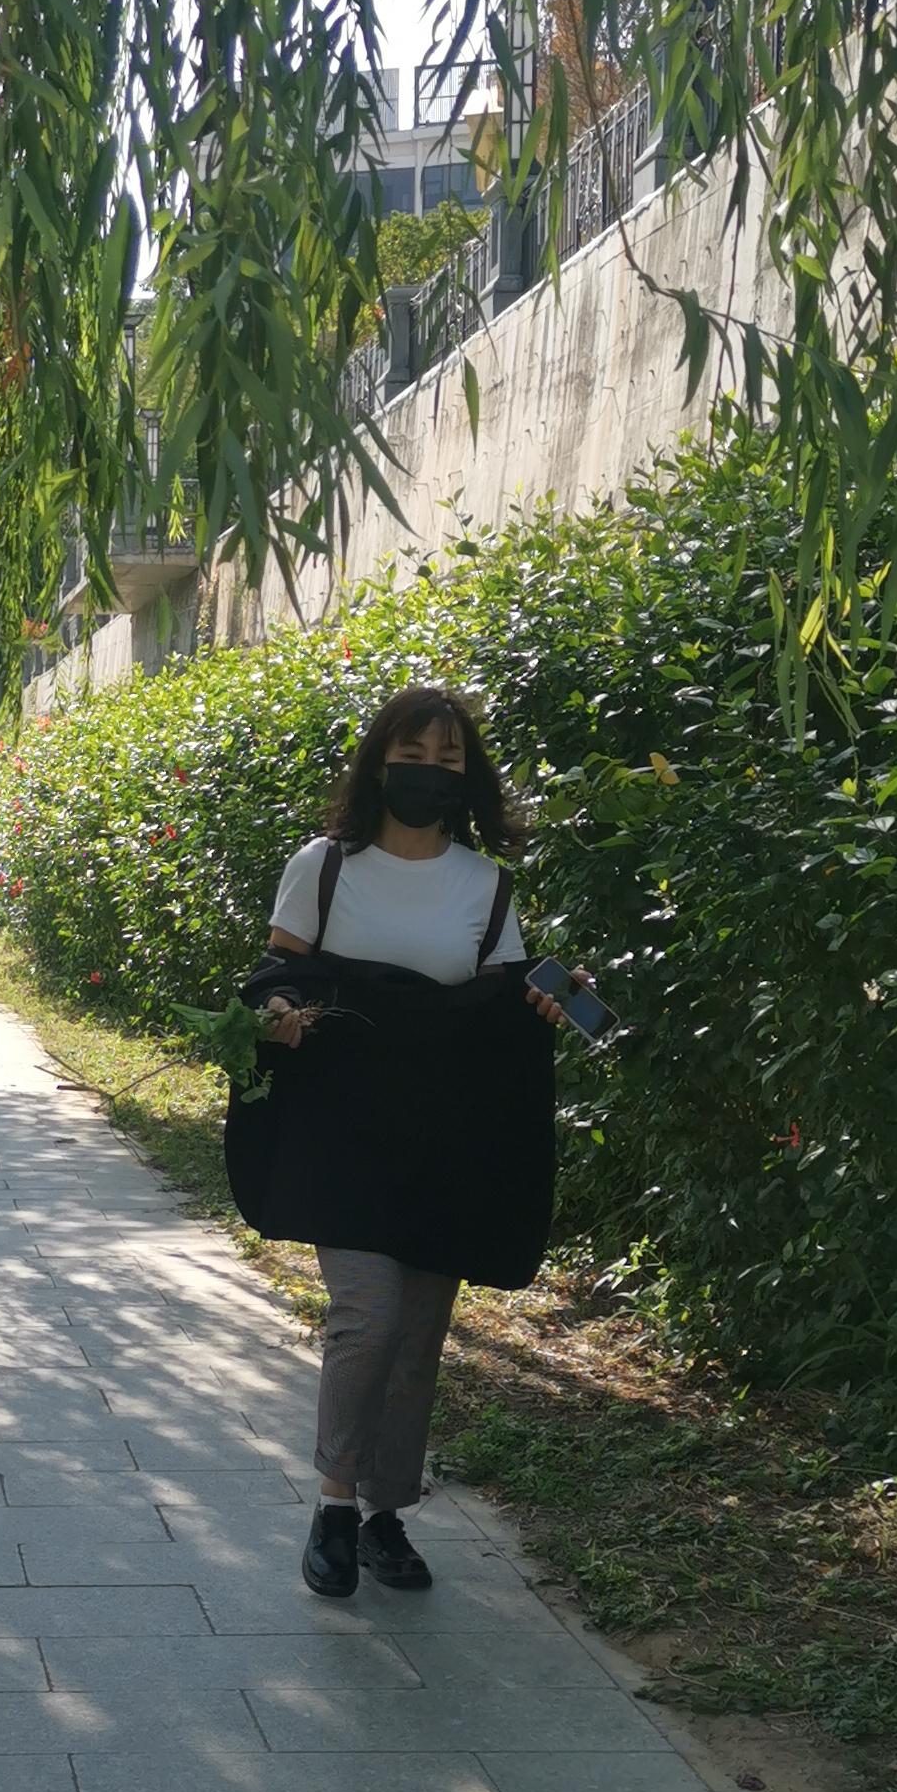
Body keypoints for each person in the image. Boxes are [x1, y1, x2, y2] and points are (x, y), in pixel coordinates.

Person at [229, 683, 594, 1599]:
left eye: (448, 759)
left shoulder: (486, 885)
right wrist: (280, 1014)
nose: (428, 773)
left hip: (445, 1140)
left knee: (420, 1333)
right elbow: (277, 972)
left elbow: (501, 1004)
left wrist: (556, 997)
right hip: (339, 1135)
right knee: (370, 1316)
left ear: (468, 777)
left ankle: (384, 1515)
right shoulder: (323, 866)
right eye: (412, 755)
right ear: (379, 762)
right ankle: (333, 1505)